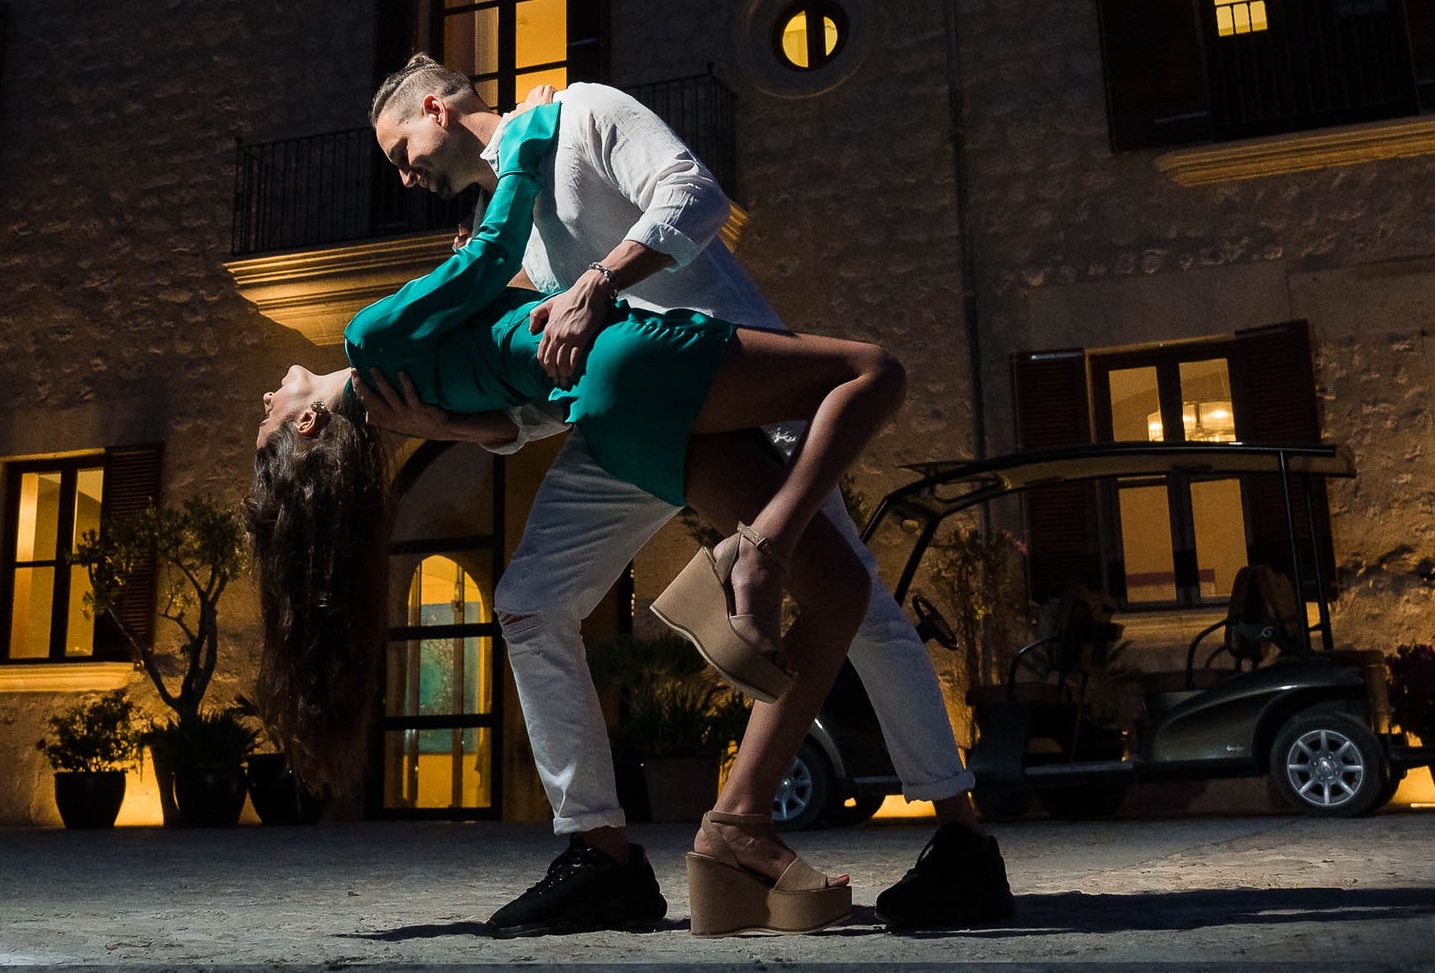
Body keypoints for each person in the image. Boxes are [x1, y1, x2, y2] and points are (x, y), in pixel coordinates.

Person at [364, 56, 1011, 935]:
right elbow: (553, 379)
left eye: (402, 150)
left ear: (435, 106)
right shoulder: (503, 228)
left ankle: (962, 841)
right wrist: (466, 429)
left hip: (736, 391)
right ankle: (600, 853)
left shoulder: (586, 111)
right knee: (527, 602)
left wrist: (601, 277)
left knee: (858, 609)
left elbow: (696, 194)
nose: (405, 177)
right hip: (634, 421)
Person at [250, 95, 900, 935]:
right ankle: (757, 551)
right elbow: (490, 254)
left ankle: (737, 823)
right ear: (306, 422)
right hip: (624, 360)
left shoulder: (399, 404)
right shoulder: (368, 341)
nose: (265, 396)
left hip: (606, 419)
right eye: (267, 417)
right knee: (872, 372)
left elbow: (516, 406)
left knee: (841, 589)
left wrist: (447, 425)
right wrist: (526, 142)